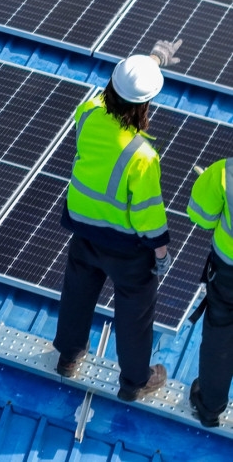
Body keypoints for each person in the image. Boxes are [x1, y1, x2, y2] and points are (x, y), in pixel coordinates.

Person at [53, 38, 182, 402]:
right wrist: (161, 255)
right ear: (146, 104)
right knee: (134, 313)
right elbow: (148, 215)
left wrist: (152, 60)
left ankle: (68, 356)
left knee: (77, 294)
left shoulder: (88, 114)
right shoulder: (142, 155)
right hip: (126, 247)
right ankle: (134, 382)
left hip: (83, 229)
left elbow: (112, 93)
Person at [187, 159, 233, 427]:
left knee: (218, 339)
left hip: (228, 274)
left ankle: (209, 407)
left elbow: (200, 216)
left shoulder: (226, 172)